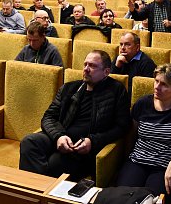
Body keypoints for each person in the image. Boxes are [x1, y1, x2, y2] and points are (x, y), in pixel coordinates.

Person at [19, 50, 131, 180]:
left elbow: (122, 126)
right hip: (61, 137)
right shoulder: (69, 88)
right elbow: (48, 117)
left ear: (106, 72)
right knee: (29, 142)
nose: (86, 69)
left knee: (55, 163)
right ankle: (36, 193)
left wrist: (93, 141)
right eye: (85, 64)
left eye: (92, 66)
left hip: (82, 147)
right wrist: (59, 136)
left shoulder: (117, 90)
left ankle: (38, 194)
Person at [117, 63, 171, 201]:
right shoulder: (143, 103)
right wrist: (126, 160)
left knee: (153, 200)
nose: (157, 87)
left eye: (164, 85)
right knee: (122, 197)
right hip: (138, 161)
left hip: (165, 165)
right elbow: (131, 135)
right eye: (156, 81)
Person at [111, 32, 156, 98]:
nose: (122, 48)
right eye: (121, 44)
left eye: (127, 44)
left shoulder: (147, 63)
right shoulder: (118, 59)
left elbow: (146, 91)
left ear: (137, 47)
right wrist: (117, 67)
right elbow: (108, 83)